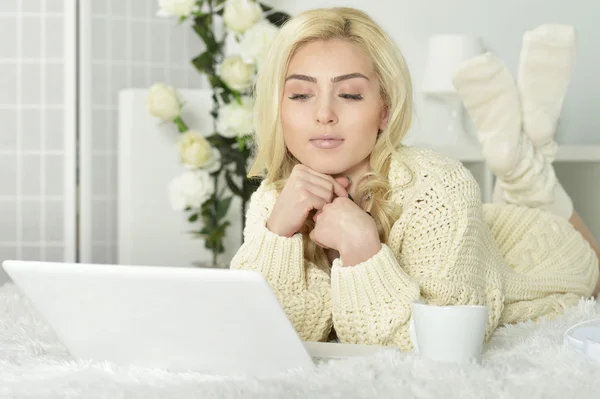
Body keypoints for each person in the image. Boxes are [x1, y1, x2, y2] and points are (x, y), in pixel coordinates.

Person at [229, 7, 600, 351]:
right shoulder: (272, 199)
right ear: (278, 107)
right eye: (301, 94)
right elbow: (259, 334)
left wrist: (362, 250)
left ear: (384, 111)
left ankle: (530, 175)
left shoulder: (440, 185)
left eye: (350, 94)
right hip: (475, 228)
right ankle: (523, 163)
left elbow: (441, 348)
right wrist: (277, 233)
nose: (324, 113)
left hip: (535, 252)